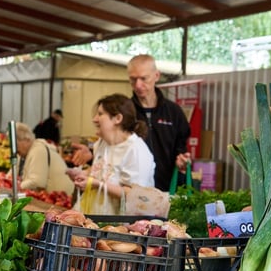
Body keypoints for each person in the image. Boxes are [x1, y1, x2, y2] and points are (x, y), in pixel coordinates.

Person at [71, 55, 190, 191]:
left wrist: (182, 161)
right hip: (131, 192)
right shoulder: (126, 110)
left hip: (166, 189)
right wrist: (93, 153)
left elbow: (181, 148)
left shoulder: (173, 112)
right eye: (133, 79)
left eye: (143, 78)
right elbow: (114, 147)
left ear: (156, 76)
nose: (138, 85)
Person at [68, 94, 155, 215]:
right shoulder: (102, 143)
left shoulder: (136, 150)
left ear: (117, 118)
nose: (94, 119)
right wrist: (82, 174)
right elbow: (103, 172)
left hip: (120, 226)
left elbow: (135, 195)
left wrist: (96, 184)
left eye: (100, 114)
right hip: (95, 217)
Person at [13, 122, 74, 195]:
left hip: (61, 199)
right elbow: (12, 175)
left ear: (27, 139)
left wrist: (15, 186)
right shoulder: (23, 154)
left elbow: (37, 182)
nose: (14, 149)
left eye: (16, 144)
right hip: (52, 199)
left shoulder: (38, 150)